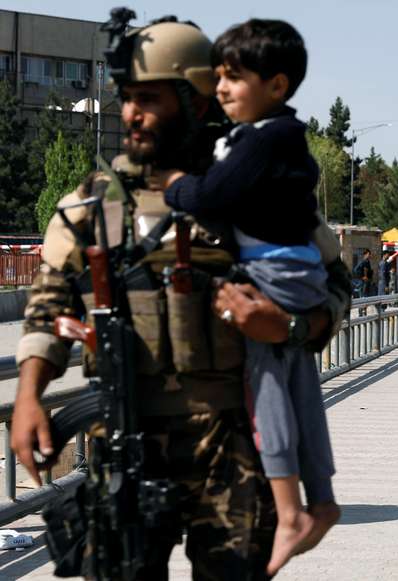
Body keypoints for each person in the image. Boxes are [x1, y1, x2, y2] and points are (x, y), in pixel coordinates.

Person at [11, 17, 351, 580]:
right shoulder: (98, 202)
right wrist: (29, 396)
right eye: (126, 99)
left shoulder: (252, 183)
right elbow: (49, 300)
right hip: (128, 440)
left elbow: (334, 282)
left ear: (194, 100)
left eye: (149, 99)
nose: (130, 114)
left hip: (233, 446)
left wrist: (290, 327)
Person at [160, 19, 339, 574]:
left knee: (267, 390)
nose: (218, 91)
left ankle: (291, 511)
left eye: (231, 79)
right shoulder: (271, 137)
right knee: (299, 388)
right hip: (290, 275)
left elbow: (213, 195)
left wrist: (174, 188)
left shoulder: (261, 138)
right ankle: (321, 501)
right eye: (212, 81)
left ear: (277, 85)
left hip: (272, 278)